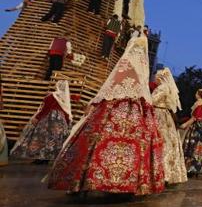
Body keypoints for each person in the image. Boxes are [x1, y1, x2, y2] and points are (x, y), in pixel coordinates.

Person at [48, 36, 165, 195]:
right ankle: (129, 182)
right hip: (136, 109)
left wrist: (95, 102)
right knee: (136, 144)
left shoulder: (127, 63)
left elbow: (112, 84)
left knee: (99, 140)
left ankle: (92, 178)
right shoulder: (141, 69)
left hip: (115, 106)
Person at [10, 80, 72, 162]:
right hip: (60, 122)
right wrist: (67, 123)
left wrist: (37, 117)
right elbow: (67, 112)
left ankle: (40, 157)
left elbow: (45, 109)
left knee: (41, 138)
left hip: (48, 120)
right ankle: (50, 158)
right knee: (54, 140)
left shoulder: (51, 96)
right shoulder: (64, 99)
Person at [151, 68, 187, 185]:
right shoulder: (168, 88)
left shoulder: (162, 87)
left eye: (156, 77)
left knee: (162, 141)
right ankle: (169, 172)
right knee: (169, 142)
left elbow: (152, 100)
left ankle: (162, 172)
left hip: (159, 114)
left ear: (160, 78)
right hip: (166, 116)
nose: (154, 79)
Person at [180, 88, 202, 176]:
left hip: (197, 128)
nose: (195, 94)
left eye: (196, 93)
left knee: (194, 146)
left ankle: (193, 167)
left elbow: (195, 117)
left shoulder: (199, 104)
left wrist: (185, 125)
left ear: (199, 95)